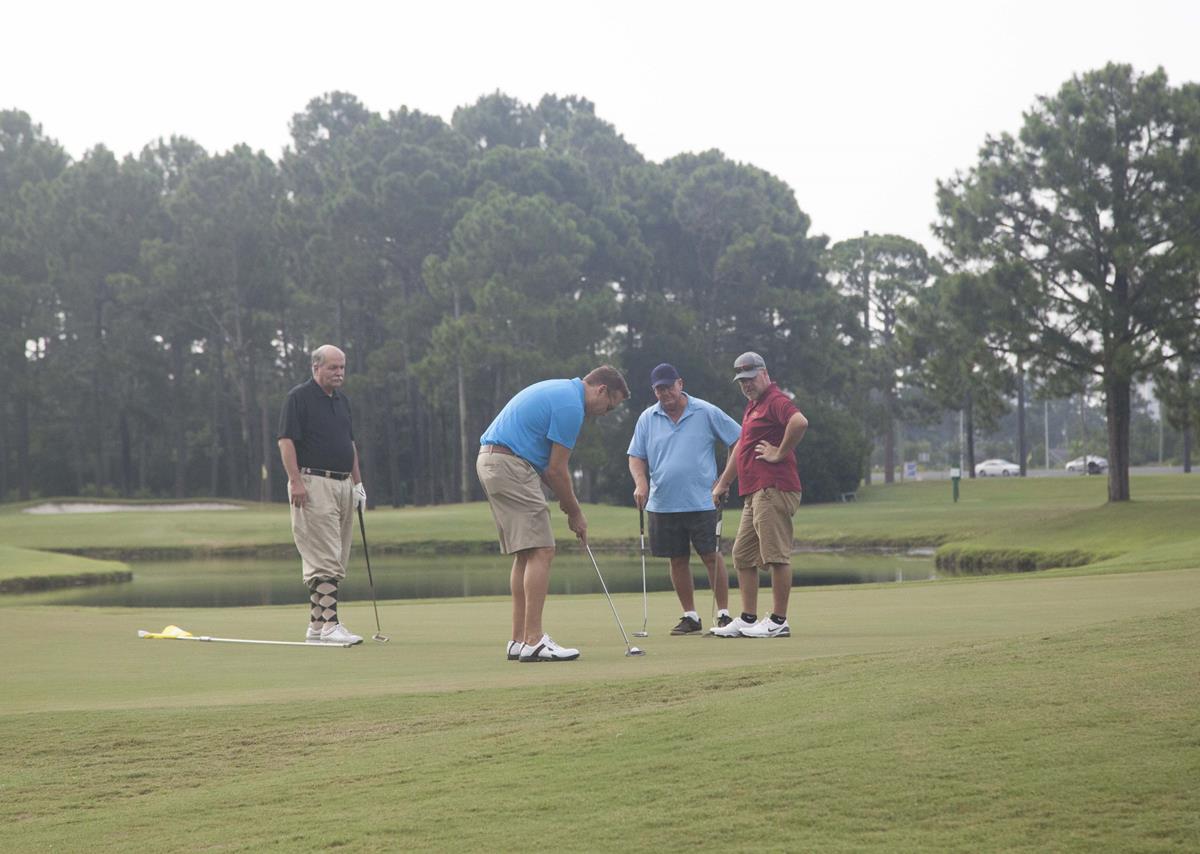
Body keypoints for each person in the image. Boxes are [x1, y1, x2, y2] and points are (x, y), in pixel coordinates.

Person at [477, 366, 629, 662]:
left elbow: (549, 472)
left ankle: (519, 640)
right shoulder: (571, 406)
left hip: (492, 460)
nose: (605, 413)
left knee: (527, 553)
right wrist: (575, 513)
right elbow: (556, 470)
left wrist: (568, 505)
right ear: (601, 390)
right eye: (610, 406)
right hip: (510, 464)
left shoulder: (562, 391)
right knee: (543, 550)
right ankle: (534, 641)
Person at [627, 363, 742, 635]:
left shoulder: (705, 411)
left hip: (702, 500)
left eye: (669, 387)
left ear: (680, 384)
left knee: (711, 556)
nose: (665, 393)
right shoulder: (647, 418)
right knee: (676, 559)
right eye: (659, 389)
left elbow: (738, 440)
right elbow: (636, 455)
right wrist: (641, 483)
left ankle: (723, 614)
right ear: (654, 390)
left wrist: (724, 480)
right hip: (663, 502)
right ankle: (690, 616)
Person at [711, 352, 808, 638]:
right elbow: (742, 446)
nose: (747, 385)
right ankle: (748, 618)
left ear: (764, 374)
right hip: (754, 491)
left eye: (751, 378)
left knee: (776, 556)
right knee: (742, 554)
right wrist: (723, 483)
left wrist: (779, 452)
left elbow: (799, 422)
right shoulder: (753, 406)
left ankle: (778, 621)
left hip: (773, 487)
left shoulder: (775, 400)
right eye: (742, 381)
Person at [277, 345, 368, 645]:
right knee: (325, 555)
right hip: (313, 482)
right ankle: (331, 625)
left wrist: (358, 484)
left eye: (342, 367)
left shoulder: (342, 401)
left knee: (335, 555)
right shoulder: (298, 398)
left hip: (343, 484)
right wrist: (295, 481)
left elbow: (349, 444)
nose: (339, 373)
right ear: (316, 368)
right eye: (333, 367)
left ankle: (316, 626)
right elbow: (286, 441)